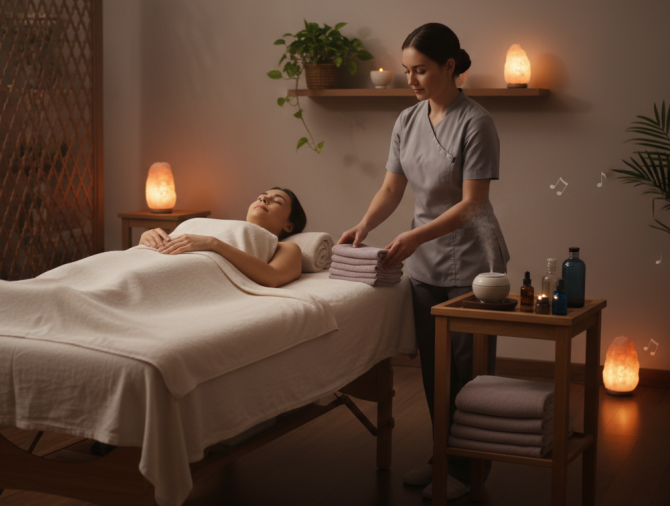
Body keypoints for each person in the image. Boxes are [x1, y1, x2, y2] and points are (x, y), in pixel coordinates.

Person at [338, 23, 510, 501]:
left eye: (421, 70)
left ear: (450, 67)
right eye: (407, 71)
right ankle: (444, 457)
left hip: (475, 261)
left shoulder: (477, 122)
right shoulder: (407, 120)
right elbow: (392, 187)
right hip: (425, 262)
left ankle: (470, 468)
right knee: (435, 372)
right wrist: (365, 226)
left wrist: (413, 235)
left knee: (469, 374)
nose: (411, 80)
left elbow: (472, 203)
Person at [139, 187, 307, 288]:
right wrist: (148, 239)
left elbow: (273, 278)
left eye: (277, 201)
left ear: (289, 225)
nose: (263, 198)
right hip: (148, 260)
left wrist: (213, 244)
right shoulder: (220, 225)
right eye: (261, 196)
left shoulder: (286, 247)